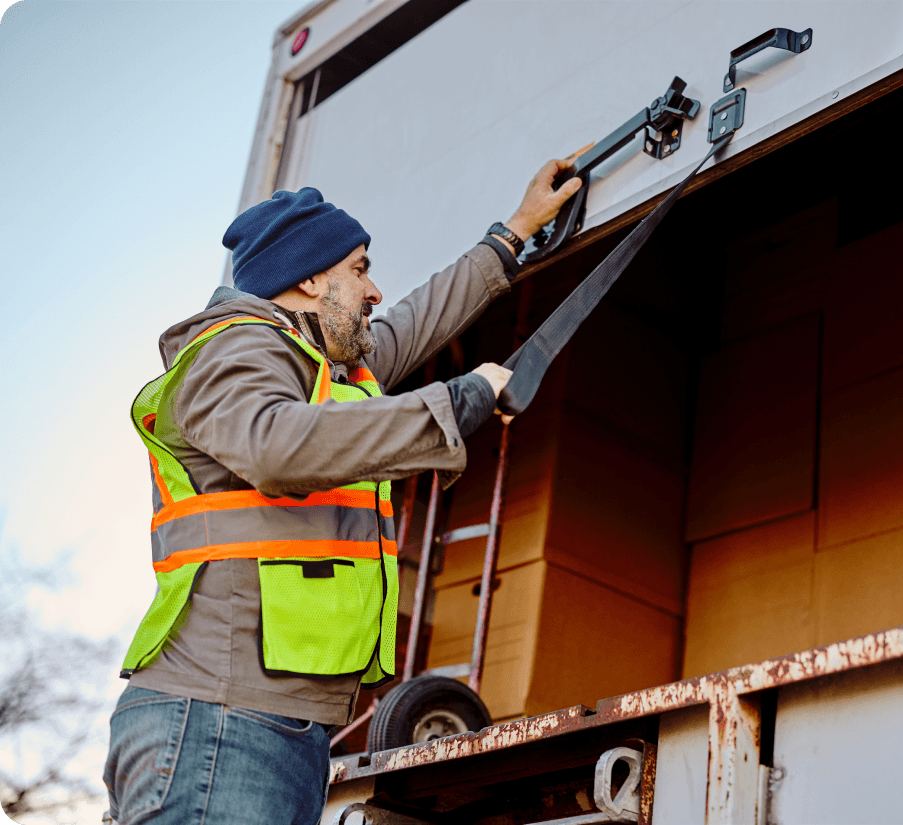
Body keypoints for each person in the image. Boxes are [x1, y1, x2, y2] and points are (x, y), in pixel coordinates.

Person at [102, 153, 584, 825]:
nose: (375, 289)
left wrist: (515, 231)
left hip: (271, 729)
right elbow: (274, 443)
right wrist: (462, 399)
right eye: (360, 269)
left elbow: (413, 322)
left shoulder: (318, 367)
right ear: (307, 280)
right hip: (217, 724)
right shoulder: (232, 350)